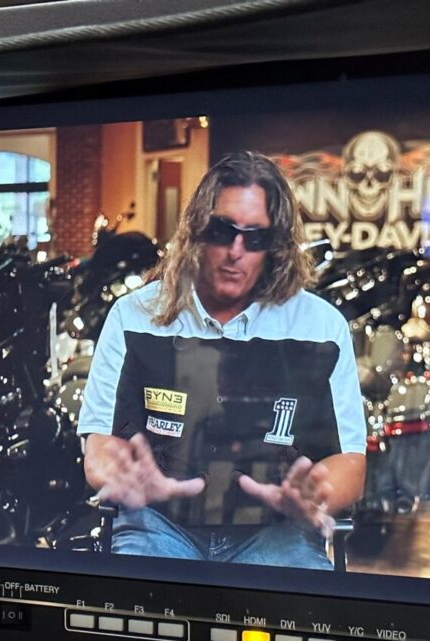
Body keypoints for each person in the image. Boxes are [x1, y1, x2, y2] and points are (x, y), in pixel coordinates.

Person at [76, 151, 366, 570]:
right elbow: (100, 444)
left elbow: (350, 463)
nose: (235, 251)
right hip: (159, 526)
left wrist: (314, 495)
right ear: (196, 230)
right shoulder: (134, 316)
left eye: (255, 237)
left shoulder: (320, 327)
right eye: (222, 230)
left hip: (276, 532)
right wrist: (122, 477)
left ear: (276, 245)